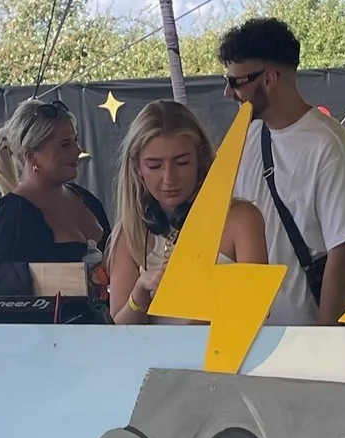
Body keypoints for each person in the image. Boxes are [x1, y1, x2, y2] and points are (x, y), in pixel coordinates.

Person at [220, 17, 345, 327]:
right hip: (246, 330)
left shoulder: (327, 144)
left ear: (270, 79)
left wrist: (325, 337)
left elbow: (343, 252)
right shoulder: (246, 136)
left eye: (236, 82)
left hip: (302, 332)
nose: (227, 92)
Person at [106, 101, 268, 323]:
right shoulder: (130, 232)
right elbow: (118, 328)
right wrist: (139, 294)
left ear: (200, 160)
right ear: (137, 168)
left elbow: (255, 311)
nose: (169, 178)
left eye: (182, 163)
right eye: (155, 166)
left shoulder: (242, 220)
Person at [0, 96, 110, 262]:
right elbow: (6, 277)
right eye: (65, 144)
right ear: (31, 156)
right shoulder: (12, 216)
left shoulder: (86, 199)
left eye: (75, 140)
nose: (78, 150)